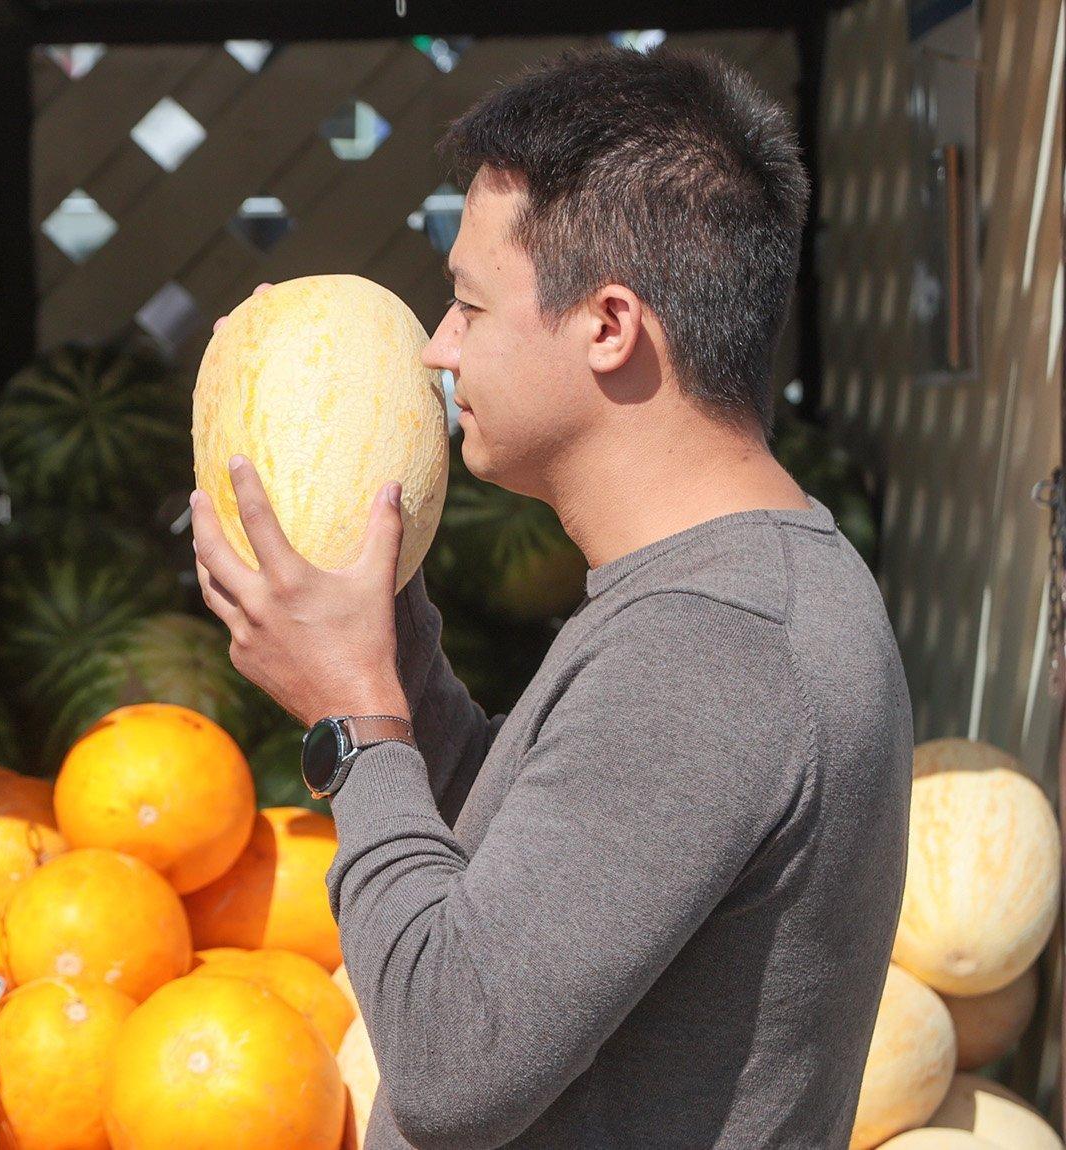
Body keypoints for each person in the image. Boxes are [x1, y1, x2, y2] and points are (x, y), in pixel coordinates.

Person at [188, 46, 912, 1149]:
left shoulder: (713, 650)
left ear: (608, 326)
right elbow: (540, 863)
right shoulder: (725, 599)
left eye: (470, 305)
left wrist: (354, 722)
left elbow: (451, 1062)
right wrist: (376, 615)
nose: (438, 349)